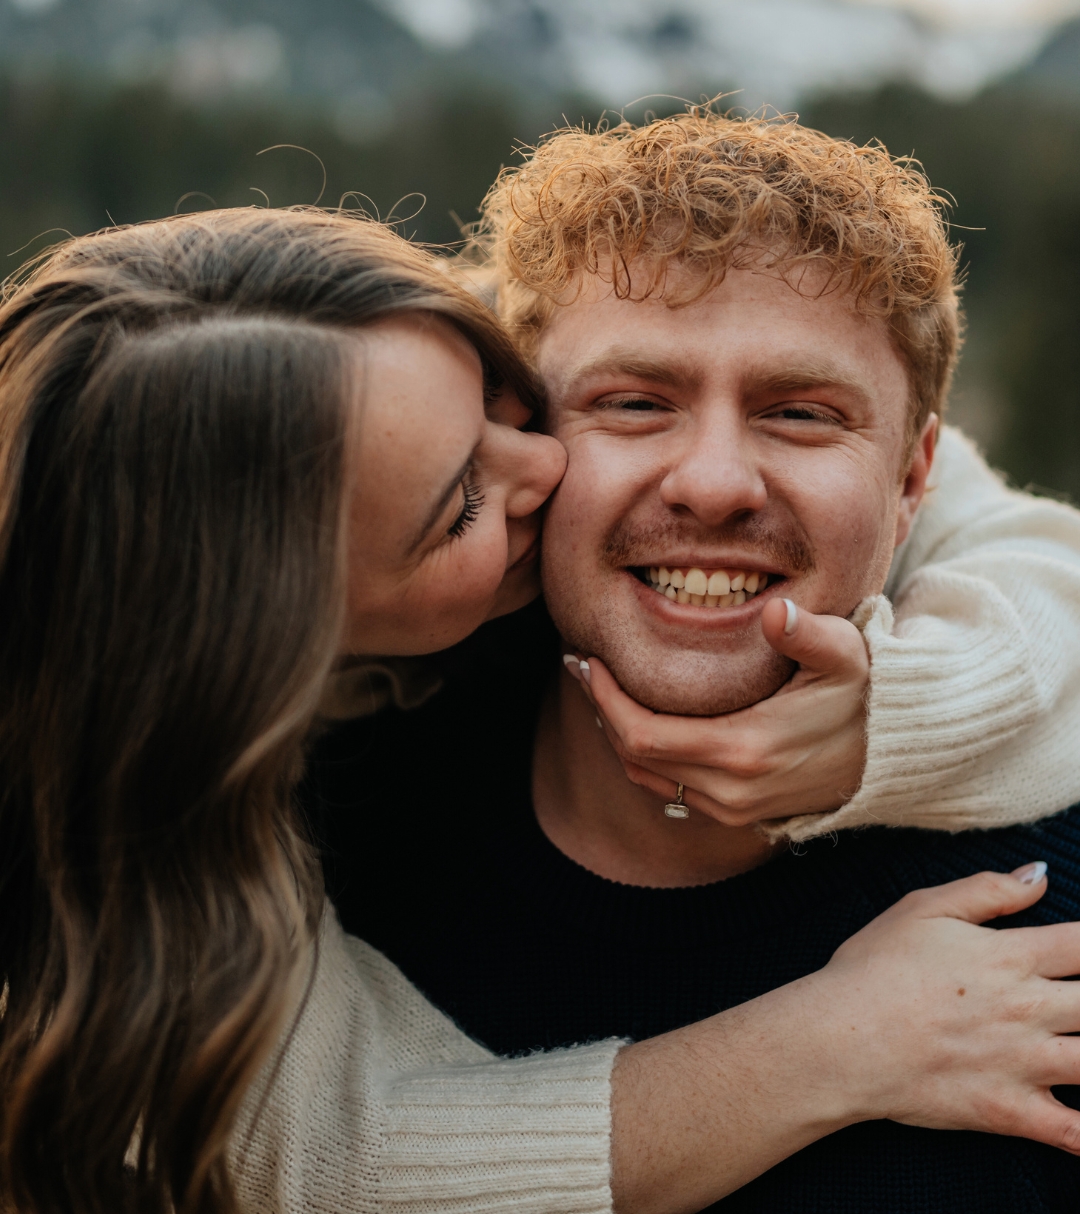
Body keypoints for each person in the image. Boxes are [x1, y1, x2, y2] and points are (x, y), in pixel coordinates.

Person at [3, 208, 1080, 1214]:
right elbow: (328, 1157)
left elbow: (955, 490)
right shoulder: (125, 841)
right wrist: (837, 1044)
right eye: (461, 503)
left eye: (507, 404)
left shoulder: (383, 369)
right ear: (278, 648)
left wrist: (908, 711)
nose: (550, 464)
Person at [308, 114, 1080, 1211]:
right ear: (524, 439)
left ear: (917, 481)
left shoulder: (1043, 953)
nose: (714, 483)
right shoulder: (313, 810)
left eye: (801, 414)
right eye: (632, 403)